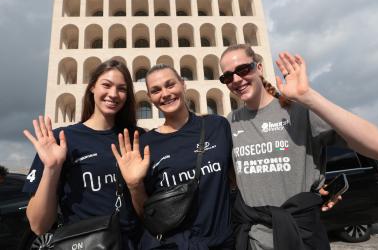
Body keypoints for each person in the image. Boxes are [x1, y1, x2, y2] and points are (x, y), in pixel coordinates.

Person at [218, 44, 378, 250]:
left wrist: (307, 96)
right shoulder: (231, 122)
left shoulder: (298, 110)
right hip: (252, 240)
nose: (236, 80)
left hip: (302, 238)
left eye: (243, 70)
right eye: (227, 77)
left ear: (258, 68)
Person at [22, 59, 145, 249]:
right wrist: (52, 168)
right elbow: (38, 226)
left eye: (122, 88)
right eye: (106, 85)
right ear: (92, 87)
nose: (113, 94)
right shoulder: (61, 140)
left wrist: (135, 185)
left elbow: (148, 211)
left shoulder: (136, 138)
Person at [111, 64, 234, 249]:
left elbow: (233, 179)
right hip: (173, 245)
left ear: (183, 85)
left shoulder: (216, 126)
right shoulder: (146, 145)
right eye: (156, 90)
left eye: (170, 85)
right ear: (150, 98)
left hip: (222, 242)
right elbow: (147, 213)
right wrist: (134, 185)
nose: (165, 93)